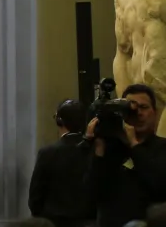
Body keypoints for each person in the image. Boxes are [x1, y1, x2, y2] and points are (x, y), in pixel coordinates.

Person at [84, 83, 166, 227]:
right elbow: (91, 194)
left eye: (144, 107)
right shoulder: (110, 148)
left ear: (156, 113)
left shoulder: (162, 147)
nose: (138, 113)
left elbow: (160, 184)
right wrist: (99, 146)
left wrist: (134, 144)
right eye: (131, 109)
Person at [28, 99, 94, 227]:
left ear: (59, 121)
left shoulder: (47, 152)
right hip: (89, 221)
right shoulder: (95, 150)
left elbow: (35, 196)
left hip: (54, 221)